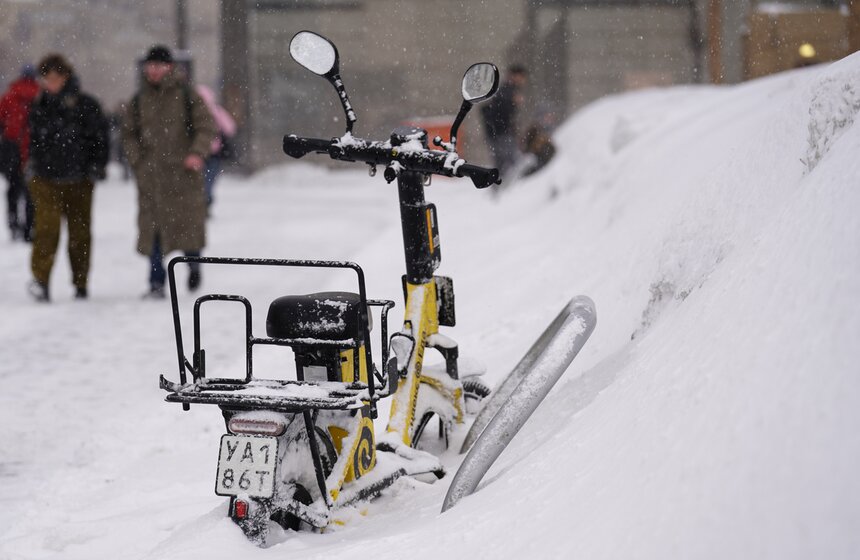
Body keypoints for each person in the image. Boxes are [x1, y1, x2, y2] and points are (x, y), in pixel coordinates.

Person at [121, 45, 216, 299]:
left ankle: (194, 267)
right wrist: (137, 161)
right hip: (151, 179)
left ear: (169, 67)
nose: (153, 71)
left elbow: (206, 127)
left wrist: (196, 153)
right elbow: (128, 134)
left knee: (188, 230)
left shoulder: (187, 95)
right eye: (150, 66)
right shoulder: (138, 100)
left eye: (158, 65)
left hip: (183, 177)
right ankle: (156, 281)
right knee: (153, 230)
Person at [27, 54, 109, 302]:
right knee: (46, 230)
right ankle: (41, 280)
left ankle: (80, 281)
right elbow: (32, 140)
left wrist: (96, 165)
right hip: (45, 178)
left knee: (80, 234)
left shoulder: (86, 105)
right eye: (47, 79)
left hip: (79, 179)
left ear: (66, 77)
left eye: (56, 78)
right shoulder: (38, 105)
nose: (51, 83)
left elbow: (99, 138)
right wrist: (31, 164)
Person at [0, 64, 39, 241]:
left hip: (11, 148)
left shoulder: (9, 96)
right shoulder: (40, 96)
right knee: (32, 190)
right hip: (33, 147)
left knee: (13, 189)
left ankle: (13, 222)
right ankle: (30, 227)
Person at [480, 64, 528, 181]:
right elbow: (500, 112)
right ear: (515, 76)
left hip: (498, 133)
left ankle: (499, 188)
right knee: (509, 164)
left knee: (502, 164)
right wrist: (513, 102)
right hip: (502, 134)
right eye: (521, 77)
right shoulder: (507, 91)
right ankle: (503, 190)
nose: (523, 81)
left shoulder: (506, 90)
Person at [195, 83, 237, 213]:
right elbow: (230, 128)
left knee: (198, 182)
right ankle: (206, 202)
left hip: (196, 153)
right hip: (214, 153)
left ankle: (201, 204)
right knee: (208, 181)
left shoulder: (192, 113)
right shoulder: (216, 110)